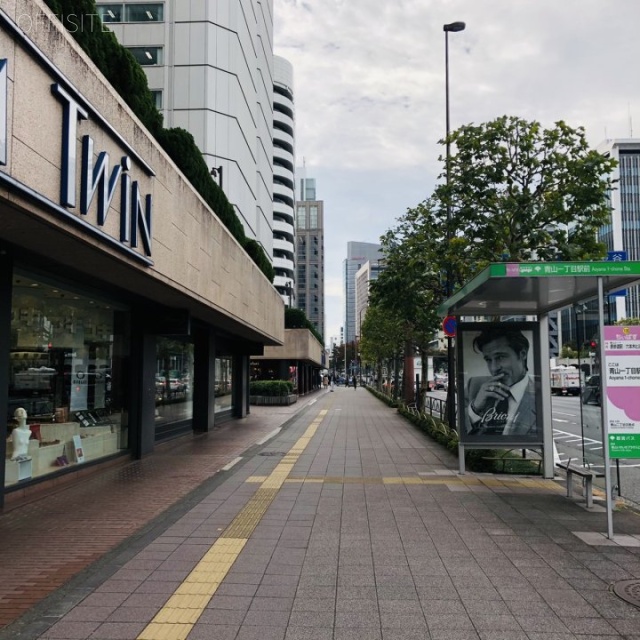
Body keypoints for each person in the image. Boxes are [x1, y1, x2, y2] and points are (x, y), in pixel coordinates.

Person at [464, 327, 538, 438]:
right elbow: (454, 430)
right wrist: (474, 409)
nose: (494, 368)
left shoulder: (539, 395)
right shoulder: (474, 386)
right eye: (488, 360)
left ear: (522, 354)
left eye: (500, 357)